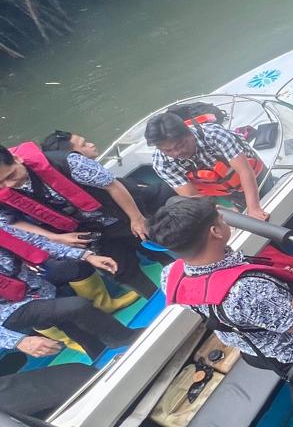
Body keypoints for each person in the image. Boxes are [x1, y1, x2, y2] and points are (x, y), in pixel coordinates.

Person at [149, 198, 293, 427]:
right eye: (220, 217)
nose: (226, 215)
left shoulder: (170, 275)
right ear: (215, 231)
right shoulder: (244, 290)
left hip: (256, 347)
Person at [0, 142, 157, 297]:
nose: (10, 184)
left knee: (155, 246)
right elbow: (11, 223)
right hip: (86, 233)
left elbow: (112, 185)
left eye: (12, 175)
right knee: (121, 271)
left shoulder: (67, 162)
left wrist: (136, 218)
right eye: (1, 183)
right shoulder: (4, 192)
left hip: (118, 215)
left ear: (16, 158)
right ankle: (158, 298)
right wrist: (57, 237)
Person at [1, 227, 136, 361]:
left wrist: (86, 256)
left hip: (38, 288)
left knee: (76, 330)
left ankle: (103, 359)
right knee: (77, 306)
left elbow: (35, 243)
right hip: (8, 311)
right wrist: (17, 341)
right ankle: (126, 337)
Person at [145, 112, 268, 220]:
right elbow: (192, 196)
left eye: (180, 145)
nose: (176, 153)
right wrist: (223, 212)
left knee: (267, 198)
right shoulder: (161, 162)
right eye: (168, 150)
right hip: (228, 191)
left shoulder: (214, 134)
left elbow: (244, 170)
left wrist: (254, 208)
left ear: (189, 133)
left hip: (255, 175)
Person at [42, 129, 174, 216]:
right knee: (172, 188)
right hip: (136, 199)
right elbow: (117, 189)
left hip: (131, 191)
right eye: (84, 145)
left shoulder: (66, 182)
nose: (91, 144)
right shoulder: (81, 171)